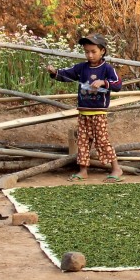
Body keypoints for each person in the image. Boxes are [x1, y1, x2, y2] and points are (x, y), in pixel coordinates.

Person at [47, 34, 124, 182]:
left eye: (93, 51)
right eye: (87, 51)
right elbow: (66, 74)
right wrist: (54, 72)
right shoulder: (81, 68)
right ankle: (83, 171)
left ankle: (116, 168)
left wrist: (103, 82)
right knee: (82, 141)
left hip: (99, 113)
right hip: (83, 112)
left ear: (102, 51)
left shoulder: (107, 69)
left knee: (102, 140)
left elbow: (118, 84)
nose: (90, 55)